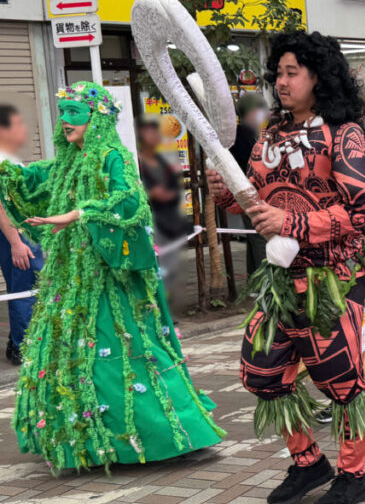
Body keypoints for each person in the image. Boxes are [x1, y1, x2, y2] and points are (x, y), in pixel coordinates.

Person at [0, 83, 224, 470]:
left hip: (110, 278)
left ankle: (161, 436)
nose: (65, 120)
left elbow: (130, 202)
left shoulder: (112, 156)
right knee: (75, 353)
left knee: (122, 348)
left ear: (97, 118)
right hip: (70, 278)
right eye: (63, 112)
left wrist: (79, 213)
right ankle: (89, 442)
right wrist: (7, 172)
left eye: (75, 113)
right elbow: (34, 179)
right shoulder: (68, 161)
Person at [207, 31, 365, 504]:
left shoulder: (345, 133)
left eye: (292, 73)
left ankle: (353, 475)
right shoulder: (272, 132)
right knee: (261, 373)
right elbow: (252, 198)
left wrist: (291, 223)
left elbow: (358, 212)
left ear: (318, 76)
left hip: (333, 279)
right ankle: (308, 462)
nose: (281, 82)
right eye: (278, 73)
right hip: (281, 281)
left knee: (343, 383)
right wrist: (226, 192)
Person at [0, 106, 43, 365]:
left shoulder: (8, 157)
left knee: (26, 285)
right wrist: (16, 242)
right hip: (13, 233)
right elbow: (2, 206)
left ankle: (18, 341)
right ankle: (23, 346)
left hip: (19, 230)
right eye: (18, 124)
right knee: (26, 286)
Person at [232, 93, 270, 276]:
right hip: (251, 194)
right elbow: (253, 166)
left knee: (255, 238)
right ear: (252, 112)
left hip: (247, 194)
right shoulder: (244, 134)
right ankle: (264, 280)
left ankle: (254, 280)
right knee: (261, 239)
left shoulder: (246, 133)